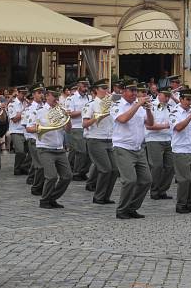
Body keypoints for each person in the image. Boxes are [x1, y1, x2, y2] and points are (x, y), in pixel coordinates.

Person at [111, 79, 154, 219]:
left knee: (146, 180)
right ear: (123, 91)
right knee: (129, 180)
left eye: (136, 91)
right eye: (131, 91)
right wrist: (138, 105)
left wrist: (148, 110)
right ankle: (122, 210)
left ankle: (132, 207)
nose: (134, 93)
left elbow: (151, 124)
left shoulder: (140, 107)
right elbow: (123, 119)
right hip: (122, 147)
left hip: (138, 148)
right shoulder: (117, 105)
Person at [33, 85, 72, 209]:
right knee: (51, 176)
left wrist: (68, 118)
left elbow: (68, 130)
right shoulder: (38, 111)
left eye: (57, 96)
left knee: (67, 176)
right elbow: (29, 127)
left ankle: (52, 198)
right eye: (54, 96)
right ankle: (44, 200)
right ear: (47, 96)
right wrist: (40, 129)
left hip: (59, 148)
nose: (56, 99)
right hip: (45, 147)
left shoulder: (61, 110)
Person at [82, 78, 118, 206]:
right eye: (103, 88)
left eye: (107, 88)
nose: (106, 91)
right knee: (105, 169)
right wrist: (98, 117)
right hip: (96, 139)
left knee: (114, 170)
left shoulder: (112, 104)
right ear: (96, 90)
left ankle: (105, 196)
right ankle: (98, 196)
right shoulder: (91, 104)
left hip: (109, 139)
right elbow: (85, 123)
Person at [145, 88, 174, 201]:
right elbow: (148, 126)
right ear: (158, 94)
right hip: (154, 139)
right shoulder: (151, 106)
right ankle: (154, 191)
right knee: (157, 166)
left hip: (168, 139)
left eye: (168, 96)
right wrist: (165, 126)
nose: (167, 98)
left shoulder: (171, 107)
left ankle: (163, 190)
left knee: (170, 166)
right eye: (165, 95)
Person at [66, 78, 91, 181]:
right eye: (84, 85)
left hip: (88, 127)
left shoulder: (89, 98)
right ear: (78, 85)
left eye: (87, 85)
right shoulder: (71, 99)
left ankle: (83, 171)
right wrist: (84, 110)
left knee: (89, 152)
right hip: (76, 127)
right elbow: (69, 114)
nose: (86, 87)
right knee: (81, 151)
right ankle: (76, 172)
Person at [7, 86, 28, 175]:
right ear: (18, 93)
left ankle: (23, 167)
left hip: (26, 130)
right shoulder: (12, 104)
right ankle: (17, 168)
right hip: (16, 130)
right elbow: (14, 119)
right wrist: (25, 110)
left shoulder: (27, 103)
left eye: (25, 94)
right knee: (20, 151)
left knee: (29, 151)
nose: (24, 96)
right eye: (22, 93)